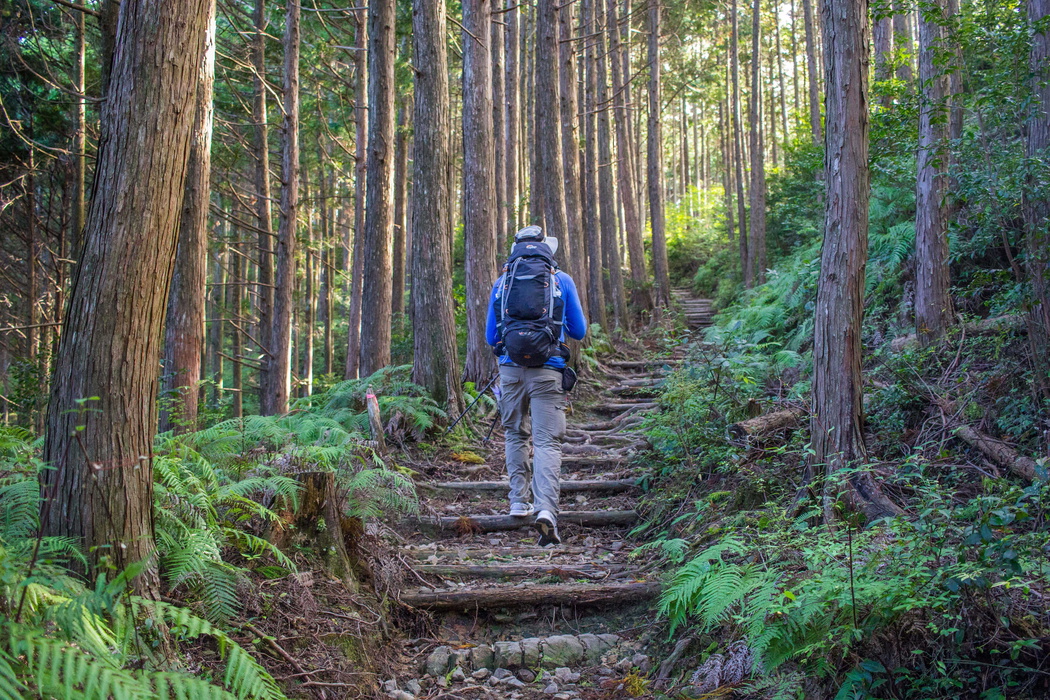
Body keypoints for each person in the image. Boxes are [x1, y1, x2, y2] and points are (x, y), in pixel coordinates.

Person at [486, 225, 588, 546]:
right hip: (549, 371)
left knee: (515, 434)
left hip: (511, 371)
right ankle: (546, 509)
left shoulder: (502, 284)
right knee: (547, 443)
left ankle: (518, 499)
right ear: (547, 250)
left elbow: (492, 337)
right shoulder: (562, 281)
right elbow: (580, 331)